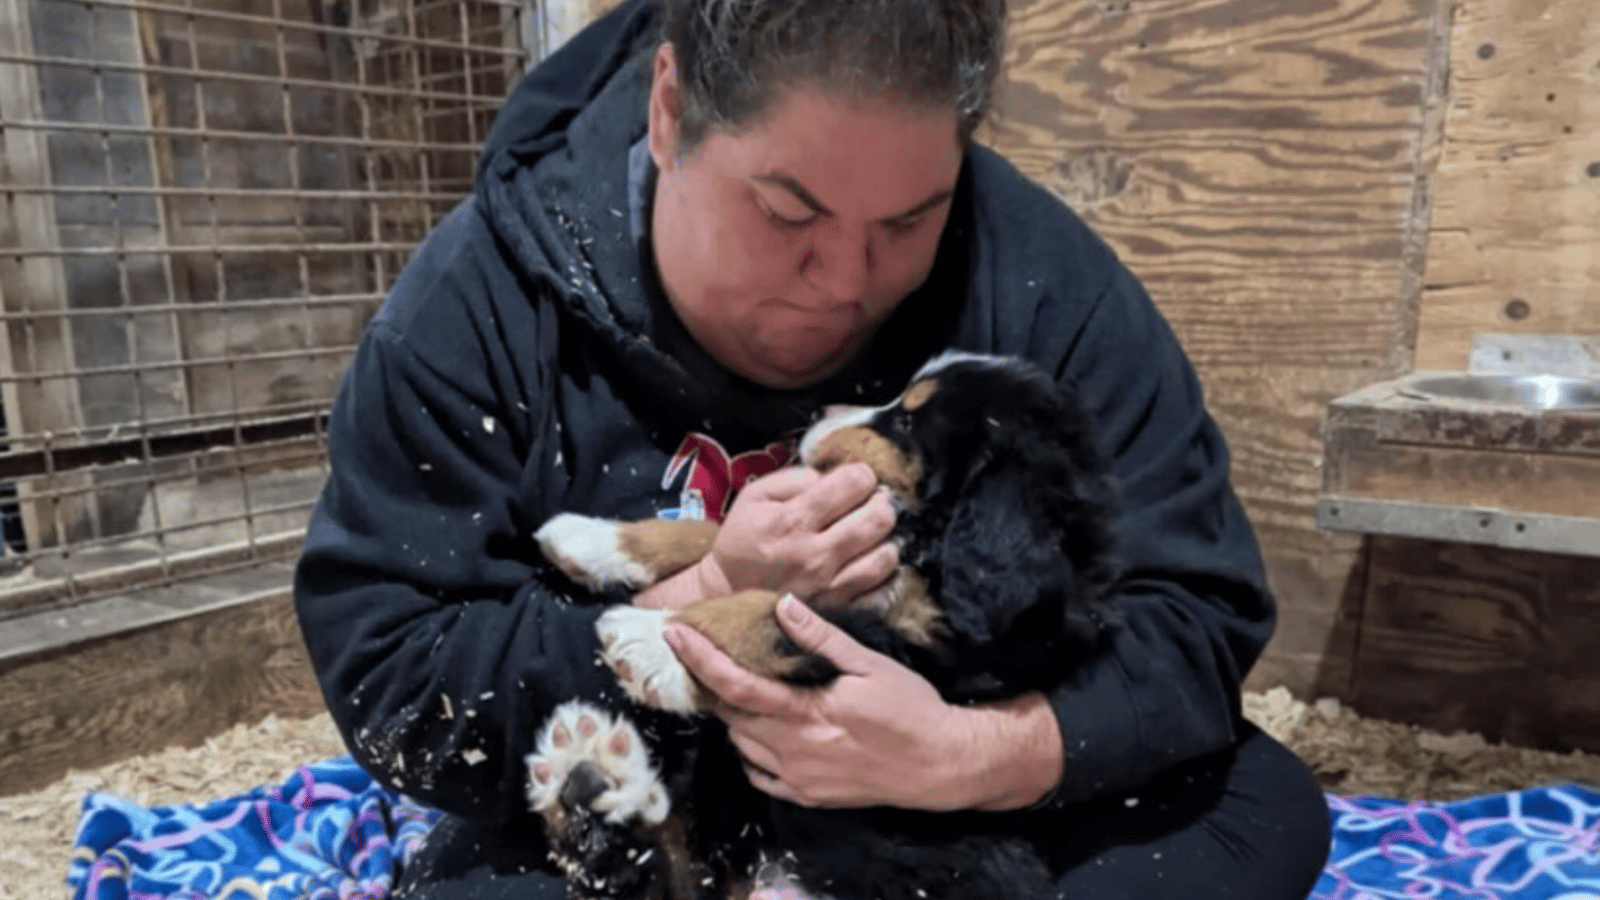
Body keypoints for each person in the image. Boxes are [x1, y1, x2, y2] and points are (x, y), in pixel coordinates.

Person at [291, 0, 1333, 897]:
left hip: (945, 794)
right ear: (669, 111)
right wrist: (694, 597)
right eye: (788, 210)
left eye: (910, 221)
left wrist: (972, 755)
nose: (844, 280)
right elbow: (393, 675)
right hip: (657, 778)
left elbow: (1197, 612)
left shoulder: (1048, 279)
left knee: (1262, 812)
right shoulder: (473, 302)